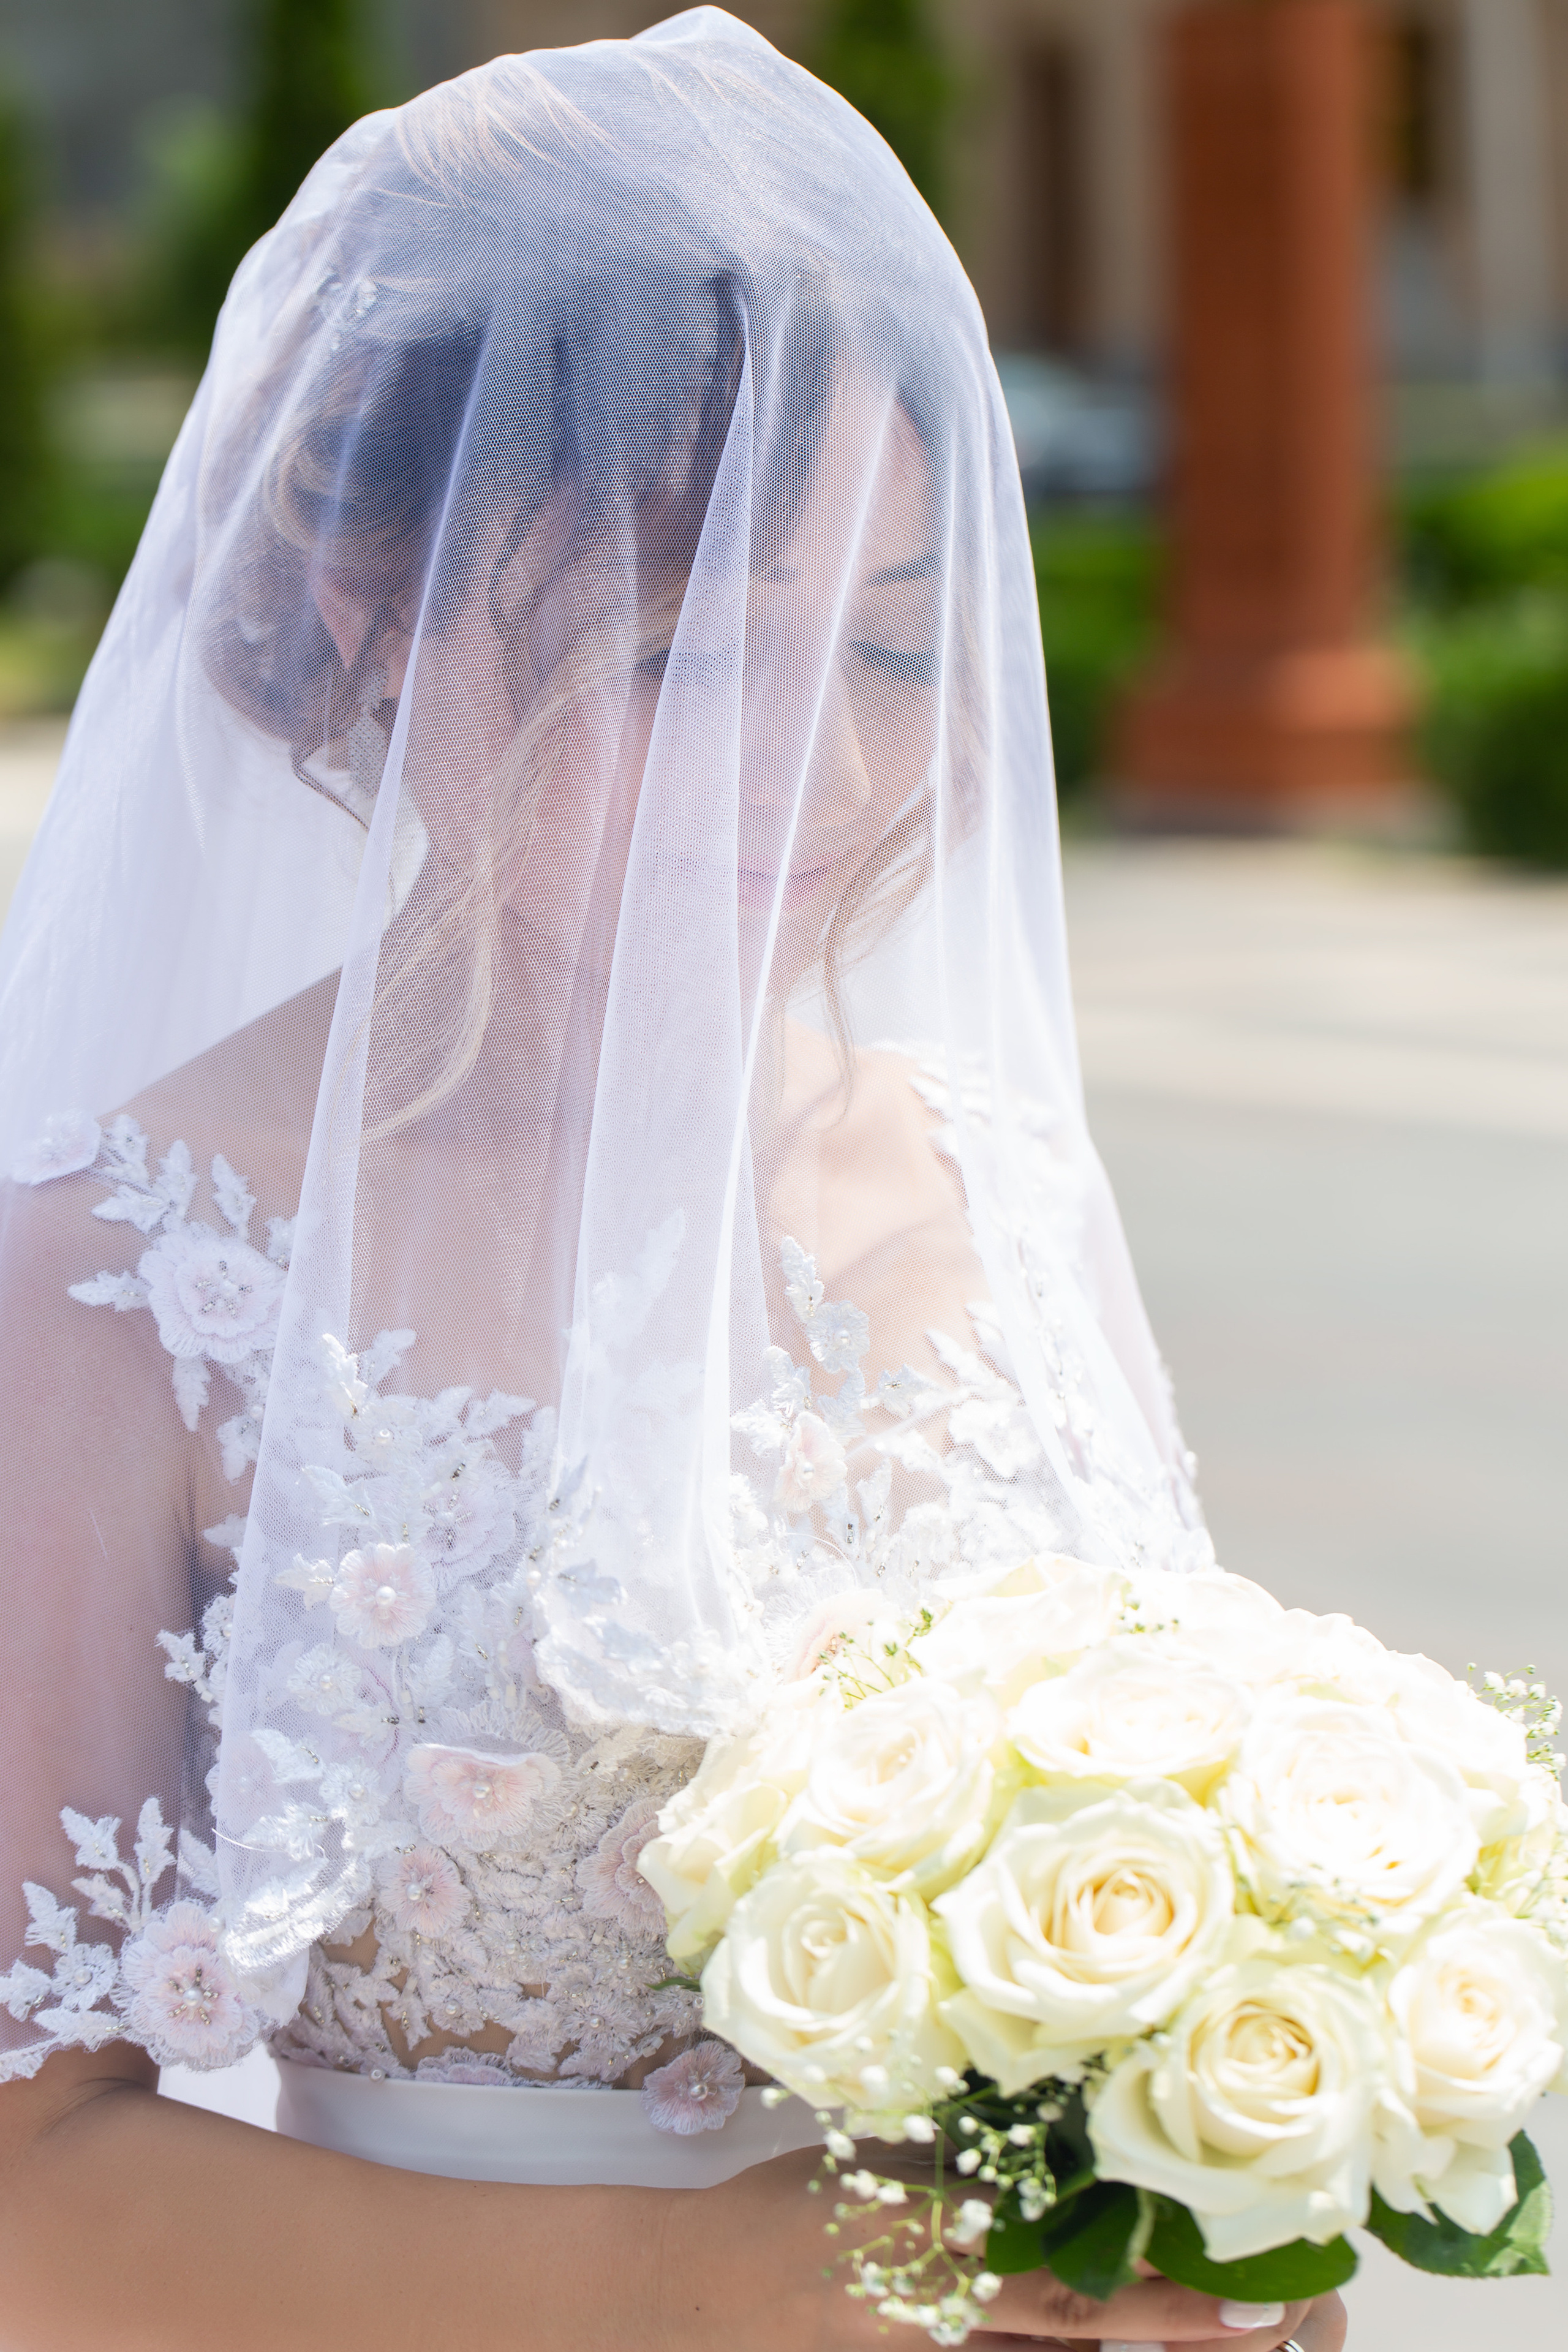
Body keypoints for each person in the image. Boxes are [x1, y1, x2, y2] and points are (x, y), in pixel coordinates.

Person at [0, 12, 1345, 2349]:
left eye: (893, 645)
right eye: (697, 652)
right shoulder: (134, 1282)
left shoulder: (998, 1176)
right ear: (366, 626)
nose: (828, 771)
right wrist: (723, 2280)